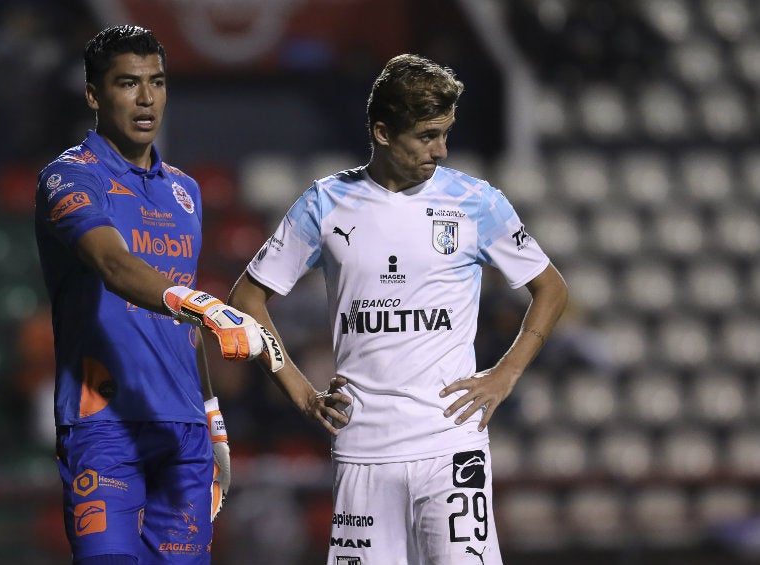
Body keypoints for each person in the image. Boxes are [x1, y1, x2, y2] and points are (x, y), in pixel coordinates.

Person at [228, 54, 569, 565]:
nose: (442, 150)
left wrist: (505, 374)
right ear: (384, 132)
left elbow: (552, 289)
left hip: (451, 447)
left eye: (445, 133)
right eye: (427, 136)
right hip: (363, 449)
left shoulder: (477, 202)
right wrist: (300, 392)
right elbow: (246, 300)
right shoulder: (326, 203)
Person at [33, 25, 283, 565]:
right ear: (94, 95)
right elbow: (113, 263)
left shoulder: (184, 191)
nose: (147, 99)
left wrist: (212, 414)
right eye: (128, 84)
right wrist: (204, 305)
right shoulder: (69, 178)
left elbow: (180, 311)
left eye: (158, 82)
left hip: (184, 432)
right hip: (104, 424)